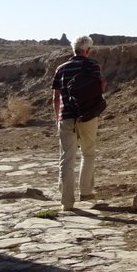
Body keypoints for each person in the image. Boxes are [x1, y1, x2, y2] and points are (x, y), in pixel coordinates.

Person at [51, 34, 108, 210]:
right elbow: (99, 88)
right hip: (88, 116)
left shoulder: (61, 68)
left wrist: (57, 117)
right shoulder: (93, 65)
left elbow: (55, 97)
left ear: (73, 49)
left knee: (66, 159)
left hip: (66, 116)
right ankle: (86, 191)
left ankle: (67, 202)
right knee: (88, 153)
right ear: (88, 50)